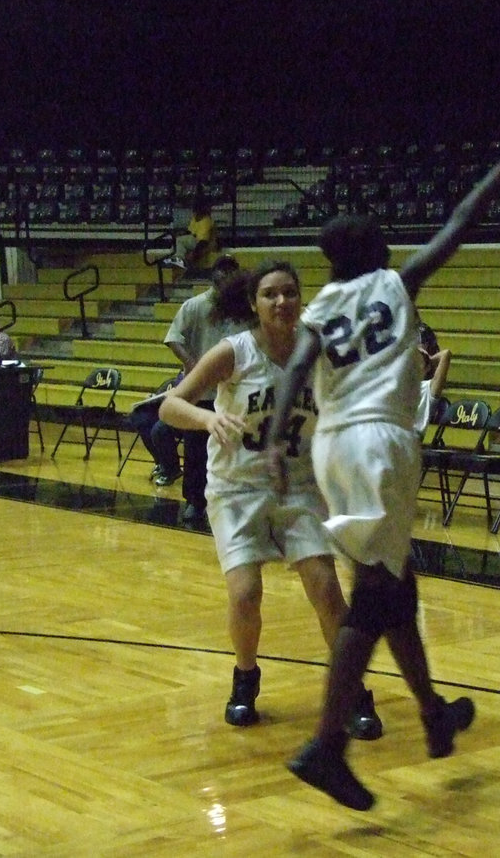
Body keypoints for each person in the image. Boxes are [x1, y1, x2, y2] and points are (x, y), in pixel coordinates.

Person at [264, 112, 500, 811]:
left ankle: (432, 714)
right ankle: (327, 745)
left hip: (332, 445)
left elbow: (297, 368)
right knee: (375, 595)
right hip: (380, 441)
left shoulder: (322, 304)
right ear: (376, 249)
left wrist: (273, 440)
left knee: (397, 586)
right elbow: (461, 221)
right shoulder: (395, 282)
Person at [160, 260, 382, 736]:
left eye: (290, 293)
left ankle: (354, 690)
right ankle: (245, 679)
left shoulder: (319, 352)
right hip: (237, 487)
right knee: (245, 592)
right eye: (270, 295)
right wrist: (206, 420)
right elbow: (170, 405)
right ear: (254, 304)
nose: (282, 302)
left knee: (325, 587)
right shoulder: (233, 352)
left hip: (298, 486)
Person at [164, 256, 253, 526]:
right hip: (203, 394)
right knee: (196, 450)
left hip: (234, 394)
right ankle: (194, 501)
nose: (226, 275)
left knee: (234, 447)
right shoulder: (195, 305)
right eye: (221, 270)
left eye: (231, 270)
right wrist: (196, 368)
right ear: (213, 275)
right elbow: (173, 338)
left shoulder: (244, 308)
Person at [162, 195, 218, 276]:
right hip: (193, 240)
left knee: (179, 240)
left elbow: (203, 241)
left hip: (199, 243)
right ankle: (174, 259)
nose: (194, 212)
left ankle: (179, 259)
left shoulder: (206, 220)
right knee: (177, 240)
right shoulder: (195, 218)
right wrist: (180, 234)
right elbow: (189, 231)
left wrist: (195, 254)